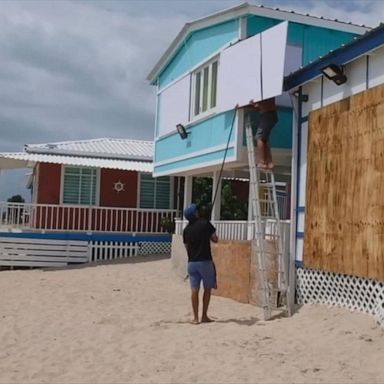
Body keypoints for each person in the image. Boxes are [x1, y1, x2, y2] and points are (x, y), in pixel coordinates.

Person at [183, 203, 218, 324]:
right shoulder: (204, 223)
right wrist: (207, 231)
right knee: (207, 289)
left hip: (191, 263)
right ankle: (204, 316)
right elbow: (215, 239)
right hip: (205, 261)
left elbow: (187, 247)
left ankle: (195, 318)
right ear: (195, 214)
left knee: (194, 290)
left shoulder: (186, 230)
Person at [250, 97, 278, 170]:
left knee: (259, 138)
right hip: (269, 114)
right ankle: (269, 162)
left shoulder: (265, 93)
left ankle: (262, 162)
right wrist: (256, 104)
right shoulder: (268, 92)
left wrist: (255, 104)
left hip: (268, 114)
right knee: (265, 139)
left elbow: (265, 104)